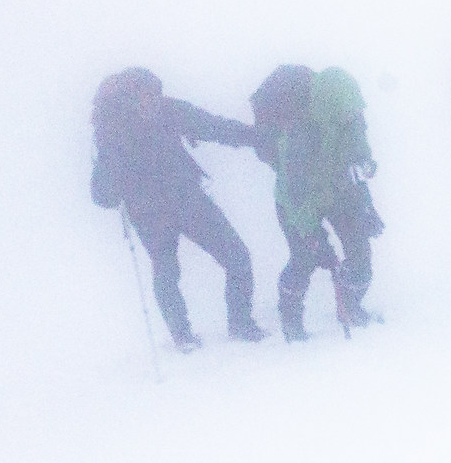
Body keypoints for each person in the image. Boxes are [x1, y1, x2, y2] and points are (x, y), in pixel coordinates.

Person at [88, 68, 267, 351]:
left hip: (180, 202)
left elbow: (213, 126)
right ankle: (185, 335)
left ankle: (238, 323)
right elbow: (102, 195)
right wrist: (112, 183)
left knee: (235, 257)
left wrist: (256, 137)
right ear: (131, 100)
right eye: (146, 97)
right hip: (156, 212)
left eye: (155, 96)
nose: (153, 102)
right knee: (168, 272)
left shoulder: (167, 111)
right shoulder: (115, 132)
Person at [251, 64, 383, 341]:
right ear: (330, 105)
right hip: (295, 203)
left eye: (354, 110)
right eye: (347, 111)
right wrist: (312, 235)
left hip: (337, 192)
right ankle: (291, 322)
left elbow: (358, 165)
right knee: (304, 258)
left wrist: (366, 206)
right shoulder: (300, 134)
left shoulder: (352, 120)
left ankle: (350, 307)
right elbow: (294, 192)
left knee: (359, 251)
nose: (354, 116)